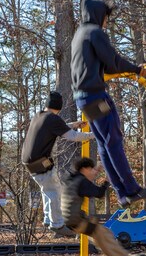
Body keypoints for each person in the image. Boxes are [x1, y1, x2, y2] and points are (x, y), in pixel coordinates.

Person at [71, 0, 146, 208]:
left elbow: (108, 66)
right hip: (95, 95)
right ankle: (132, 189)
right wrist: (141, 71)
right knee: (113, 140)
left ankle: (123, 193)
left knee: (104, 143)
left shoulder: (79, 35)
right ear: (100, 15)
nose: (106, 23)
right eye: (106, 18)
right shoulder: (95, 32)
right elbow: (113, 62)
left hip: (82, 98)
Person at [22, 91, 95, 237]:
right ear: (59, 107)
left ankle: (49, 219)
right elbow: (73, 136)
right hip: (41, 163)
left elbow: (57, 127)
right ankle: (58, 225)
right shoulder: (53, 119)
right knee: (54, 191)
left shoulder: (40, 116)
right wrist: (93, 135)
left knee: (47, 189)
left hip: (29, 163)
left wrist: (74, 124)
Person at [61, 157, 146, 256]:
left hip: (71, 220)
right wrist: (107, 180)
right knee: (106, 238)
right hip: (77, 221)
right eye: (91, 169)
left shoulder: (73, 179)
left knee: (104, 238)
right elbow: (99, 193)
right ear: (85, 169)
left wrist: (97, 169)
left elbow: (88, 181)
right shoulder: (82, 182)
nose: (93, 172)